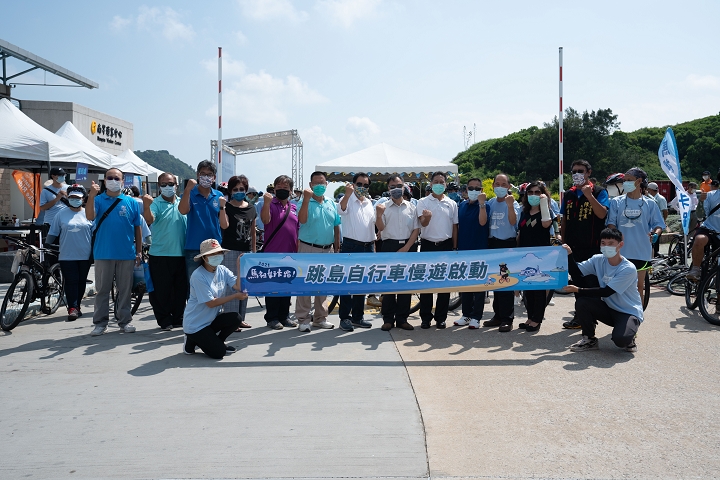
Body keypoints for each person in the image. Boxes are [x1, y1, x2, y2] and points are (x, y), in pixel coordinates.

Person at [561, 228, 642, 353]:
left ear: (620, 245)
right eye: (603, 243)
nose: (606, 247)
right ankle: (589, 339)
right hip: (609, 309)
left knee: (621, 340)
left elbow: (606, 292)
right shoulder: (598, 259)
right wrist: (569, 255)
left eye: (610, 243)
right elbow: (577, 271)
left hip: (628, 311)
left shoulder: (628, 268)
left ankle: (630, 336)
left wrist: (578, 290)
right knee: (583, 302)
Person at [86, 168, 143, 336]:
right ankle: (100, 323)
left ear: (123, 181)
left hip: (126, 253)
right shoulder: (98, 200)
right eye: (109, 177)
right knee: (102, 290)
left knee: (125, 290)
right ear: (104, 181)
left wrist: (139, 251)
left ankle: (125, 321)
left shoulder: (131, 202)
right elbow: (89, 216)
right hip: (103, 252)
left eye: (116, 178)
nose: (113, 180)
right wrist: (91, 196)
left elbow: (137, 228)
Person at [559, 159, 610, 329]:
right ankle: (581, 316)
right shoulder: (569, 194)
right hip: (573, 247)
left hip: (593, 246)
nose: (577, 174)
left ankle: (592, 317)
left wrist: (589, 196)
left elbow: (602, 214)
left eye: (580, 171)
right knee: (577, 282)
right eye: (574, 171)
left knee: (591, 283)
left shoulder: (599, 192)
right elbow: (564, 220)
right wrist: (563, 241)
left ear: (589, 172)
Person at [606, 168, 665, 306]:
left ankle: (636, 315)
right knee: (619, 285)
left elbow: (658, 225)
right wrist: (616, 236)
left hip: (641, 251)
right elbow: (610, 224)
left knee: (638, 286)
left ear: (639, 182)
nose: (625, 183)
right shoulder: (616, 202)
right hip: (620, 252)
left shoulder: (650, 204)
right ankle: (619, 313)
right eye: (624, 181)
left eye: (628, 180)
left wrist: (656, 234)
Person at [183, 239, 247, 358]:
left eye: (218, 253)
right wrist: (234, 296)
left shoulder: (222, 269)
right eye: (212, 254)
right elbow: (211, 303)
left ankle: (218, 341)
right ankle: (191, 339)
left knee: (236, 318)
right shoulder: (198, 276)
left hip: (210, 320)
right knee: (219, 353)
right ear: (204, 257)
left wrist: (239, 267)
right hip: (196, 324)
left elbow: (238, 286)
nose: (217, 256)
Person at [295, 171, 341, 332]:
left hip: (327, 249)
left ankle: (320, 318)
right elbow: (302, 220)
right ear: (310, 185)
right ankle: (303, 319)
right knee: (305, 284)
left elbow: (336, 226)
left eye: (322, 183)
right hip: (308, 247)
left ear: (327, 184)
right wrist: (306, 199)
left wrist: (337, 247)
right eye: (316, 183)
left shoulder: (330, 203)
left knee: (323, 285)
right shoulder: (303, 202)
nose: (319, 186)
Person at [142, 172, 188, 331]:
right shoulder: (155, 203)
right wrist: (147, 206)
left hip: (182, 255)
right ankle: (164, 320)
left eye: (170, 184)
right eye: (163, 184)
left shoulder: (183, 203)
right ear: (159, 187)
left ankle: (177, 318)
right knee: (161, 291)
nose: (167, 187)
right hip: (160, 255)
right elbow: (149, 220)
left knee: (181, 291)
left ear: (176, 185)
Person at [376, 175, 420, 331]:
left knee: (405, 285)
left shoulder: (412, 207)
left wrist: (407, 246)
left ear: (404, 187)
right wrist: (379, 215)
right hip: (389, 246)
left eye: (399, 185)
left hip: (408, 246)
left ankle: (402, 318)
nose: (396, 188)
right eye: (392, 186)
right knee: (389, 284)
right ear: (388, 189)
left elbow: (416, 229)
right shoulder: (383, 207)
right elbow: (380, 228)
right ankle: (388, 319)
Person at [416, 171, 459, 329]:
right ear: (431, 184)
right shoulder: (423, 202)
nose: (439, 184)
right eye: (436, 182)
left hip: (446, 246)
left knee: (444, 285)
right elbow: (423, 224)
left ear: (446, 185)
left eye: (442, 182)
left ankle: (441, 317)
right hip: (428, 245)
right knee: (426, 283)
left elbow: (455, 226)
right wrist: (426, 218)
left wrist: (454, 247)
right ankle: (425, 318)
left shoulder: (451, 203)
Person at [178, 160, 228, 286]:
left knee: (215, 285)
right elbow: (183, 211)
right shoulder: (190, 193)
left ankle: (215, 306)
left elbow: (224, 225)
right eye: (203, 174)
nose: (206, 177)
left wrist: (222, 207)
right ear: (197, 175)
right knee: (194, 287)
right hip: (194, 248)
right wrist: (188, 189)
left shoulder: (219, 195)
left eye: (209, 174)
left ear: (214, 177)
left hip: (214, 248)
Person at [46, 184, 92, 322]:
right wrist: (47, 244)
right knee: (71, 281)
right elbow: (53, 232)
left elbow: (95, 232)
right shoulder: (61, 214)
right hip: (67, 254)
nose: (75, 200)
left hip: (85, 254)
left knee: (81, 281)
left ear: (83, 199)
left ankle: (77, 305)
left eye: (77, 198)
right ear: (68, 198)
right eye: (72, 197)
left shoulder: (89, 213)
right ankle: (72, 307)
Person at [337, 173, 377, 332]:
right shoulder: (347, 200)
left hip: (368, 246)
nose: (362, 188)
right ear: (353, 184)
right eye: (359, 184)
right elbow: (341, 210)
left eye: (366, 185)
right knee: (347, 283)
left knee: (361, 284)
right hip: (351, 246)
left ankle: (358, 317)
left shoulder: (369, 202)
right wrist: (347, 194)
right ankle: (344, 318)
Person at [482, 173, 521, 332]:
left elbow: (513, 222)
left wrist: (510, 205)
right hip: (493, 244)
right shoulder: (490, 202)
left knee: (505, 281)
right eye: (497, 184)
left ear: (508, 187)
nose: (500, 187)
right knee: (495, 282)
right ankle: (497, 315)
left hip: (507, 245)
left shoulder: (514, 203)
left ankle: (507, 318)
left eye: (503, 184)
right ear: (492, 186)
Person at [260, 175, 300, 330]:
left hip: (290, 254)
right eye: (279, 188)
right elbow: (265, 220)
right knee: (273, 288)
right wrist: (266, 203)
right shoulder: (270, 204)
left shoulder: (294, 207)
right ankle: (272, 317)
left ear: (290, 191)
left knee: (286, 287)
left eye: (285, 188)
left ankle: (284, 316)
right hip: (272, 254)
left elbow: (296, 230)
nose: (282, 190)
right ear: (274, 189)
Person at [515, 182, 554, 332]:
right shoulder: (524, 212)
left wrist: (544, 203)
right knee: (527, 288)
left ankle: (537, 320)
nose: (533, 195)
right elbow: (520, 232)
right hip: (524, 255)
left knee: (538, 288)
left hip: (540, 256)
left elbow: (546, 224)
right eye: (530, 192)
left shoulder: (546, 212)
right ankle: (530, 317)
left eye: (537, 192)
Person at [220, 175, 256, 330]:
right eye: (235, 189)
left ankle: (240, 318)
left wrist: (254, 251)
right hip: (229, 250)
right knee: (231, 286)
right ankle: (230, 320)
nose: (239, 192)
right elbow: (224, 226)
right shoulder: (226, 207)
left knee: (244, 286)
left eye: (242, 189)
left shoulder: (251, 208)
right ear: (230, 191)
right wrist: (222, 207)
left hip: (246, 252)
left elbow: (253, 231)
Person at [453, 177, 490, 329]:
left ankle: (476, 316)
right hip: (464, 250)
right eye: (471, 188)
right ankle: (466, 314)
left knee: (479, 285)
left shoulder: (485, 206)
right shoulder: (461, 205)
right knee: (465, 284)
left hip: (480, 250)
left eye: (477, 188)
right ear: (466, 190)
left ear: (481, 190)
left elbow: (482, 222)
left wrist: (481, 204)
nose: (474, 191)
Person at [687, 178, 720, 281]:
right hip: (710, 229)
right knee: (700, 239)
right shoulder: (711, 195)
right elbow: (700, 215)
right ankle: (695, 269)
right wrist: (701, 202)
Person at [38, 167, 67, 231]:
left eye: (64, 175)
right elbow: (42, 208)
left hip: (66, 222)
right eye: (60, 175)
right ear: (53, 176)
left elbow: (77, 203)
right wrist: (57, 199)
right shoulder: (45, 191)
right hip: (51, 222)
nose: (63, 177)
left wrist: (67, 196)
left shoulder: (69, 188)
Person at [646, 182, 668, 258]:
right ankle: (655, 253)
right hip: (652, 222)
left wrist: (663, 220)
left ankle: (655, 253)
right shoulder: (650, 198)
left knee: (656, 238)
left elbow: (665, 211)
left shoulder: (660, 199)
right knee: (654, 240)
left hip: (658, 222)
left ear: (650, 190)